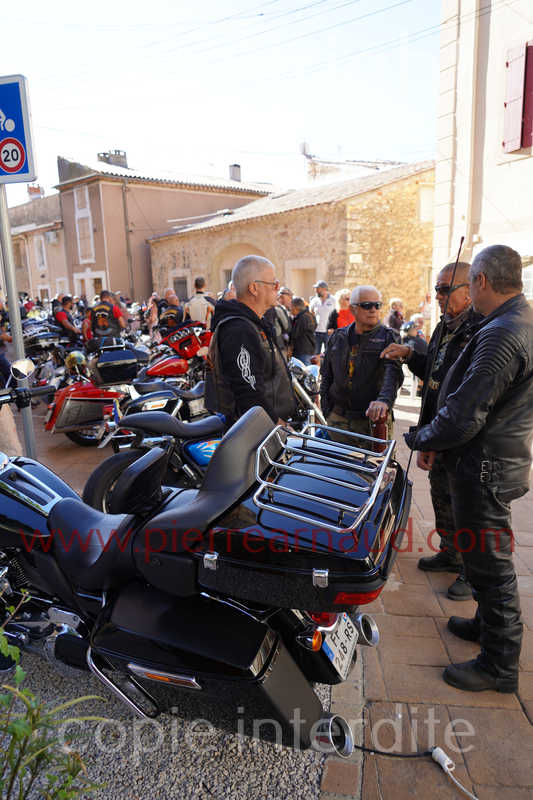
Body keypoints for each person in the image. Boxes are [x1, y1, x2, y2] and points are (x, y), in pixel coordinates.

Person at [406, 245, 533, 693]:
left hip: (485, 467)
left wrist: (422, 437)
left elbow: (465, 414)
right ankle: (485, 625)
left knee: (491, 566)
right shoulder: (514, 320)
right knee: (484, 560)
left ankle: (499, 665)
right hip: (493, 462)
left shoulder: (503, 332)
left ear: (480, 281)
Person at [382, 262, 479, 601]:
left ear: (470, 291)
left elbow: (467, 391)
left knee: (467, 505)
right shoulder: (443, 327)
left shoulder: (479, 330)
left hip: (463, 436)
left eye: (445, 289)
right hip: (438, 427)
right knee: (442, 495)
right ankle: (451, 552)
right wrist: (410, 353)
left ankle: (472, 572)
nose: (438, 295)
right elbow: (434, 374)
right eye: (436, 288)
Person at [206, 255, 296, 425]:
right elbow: (249, 393)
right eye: (273, 283)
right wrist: (278, 424)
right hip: (257, 431)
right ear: (254, 288)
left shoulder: (254, 324)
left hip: (264, 427)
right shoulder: (239, 329)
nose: (278, 288)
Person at [320, 286, 403, 442]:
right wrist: (327, 411)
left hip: (373, 421)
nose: (373, 310)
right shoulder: (338, 337)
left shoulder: (389, 337)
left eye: (377, 305)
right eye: (366, 305)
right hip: (338, 420)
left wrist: (384, 401)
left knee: (377, 458)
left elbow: (393, 374)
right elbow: (326, 375)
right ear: (353, 309)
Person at [264, 289, 292, 357]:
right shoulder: (278, 309)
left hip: (267, 341)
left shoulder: (264, 306)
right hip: (278, 341)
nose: (290, 300)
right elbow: (287, 327)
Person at [309, 280, 336, 354]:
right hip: (316, 332)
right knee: (315, 355)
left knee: (329, 354)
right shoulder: (314, 300)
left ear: (324, 289)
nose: (316, 291)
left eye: (318, 289)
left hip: (329, 333)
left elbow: (337, 315)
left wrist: (334, 328)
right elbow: (310, 314)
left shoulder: (333, 300)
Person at [288, 296, 316, 365]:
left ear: (296, 307)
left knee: (303, 369)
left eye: (291, 307)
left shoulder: (302, 318)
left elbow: (295, 334)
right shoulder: (308, 315)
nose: (290, 309)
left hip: (302, 351)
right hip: (307, 349)